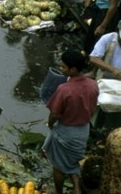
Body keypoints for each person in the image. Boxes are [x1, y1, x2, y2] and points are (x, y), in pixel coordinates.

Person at [44, 50, 99, 194]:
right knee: (73, 162)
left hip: (66, 133)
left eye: (63, 67)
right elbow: (92, 109)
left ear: (73, 69)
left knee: (59, 166)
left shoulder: (64, 89)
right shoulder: (93, 85)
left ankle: (59, 192)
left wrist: (50, 125)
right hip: (83, 131)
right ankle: (76, 187)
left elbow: (54, 114)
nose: (60, 69)